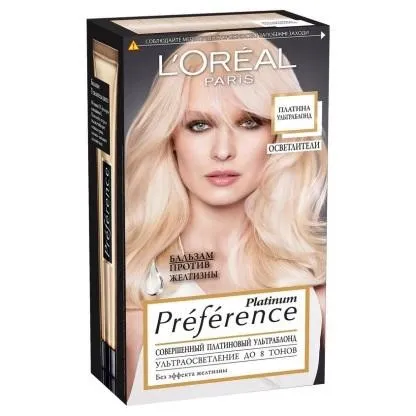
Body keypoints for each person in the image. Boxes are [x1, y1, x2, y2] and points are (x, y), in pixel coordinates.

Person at [124, 31, 327, 402]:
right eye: (199, 125)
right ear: (171, 138)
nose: (222, 151)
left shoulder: (315, 287)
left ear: (279, 134)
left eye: (249, 122)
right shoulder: (131, 288)